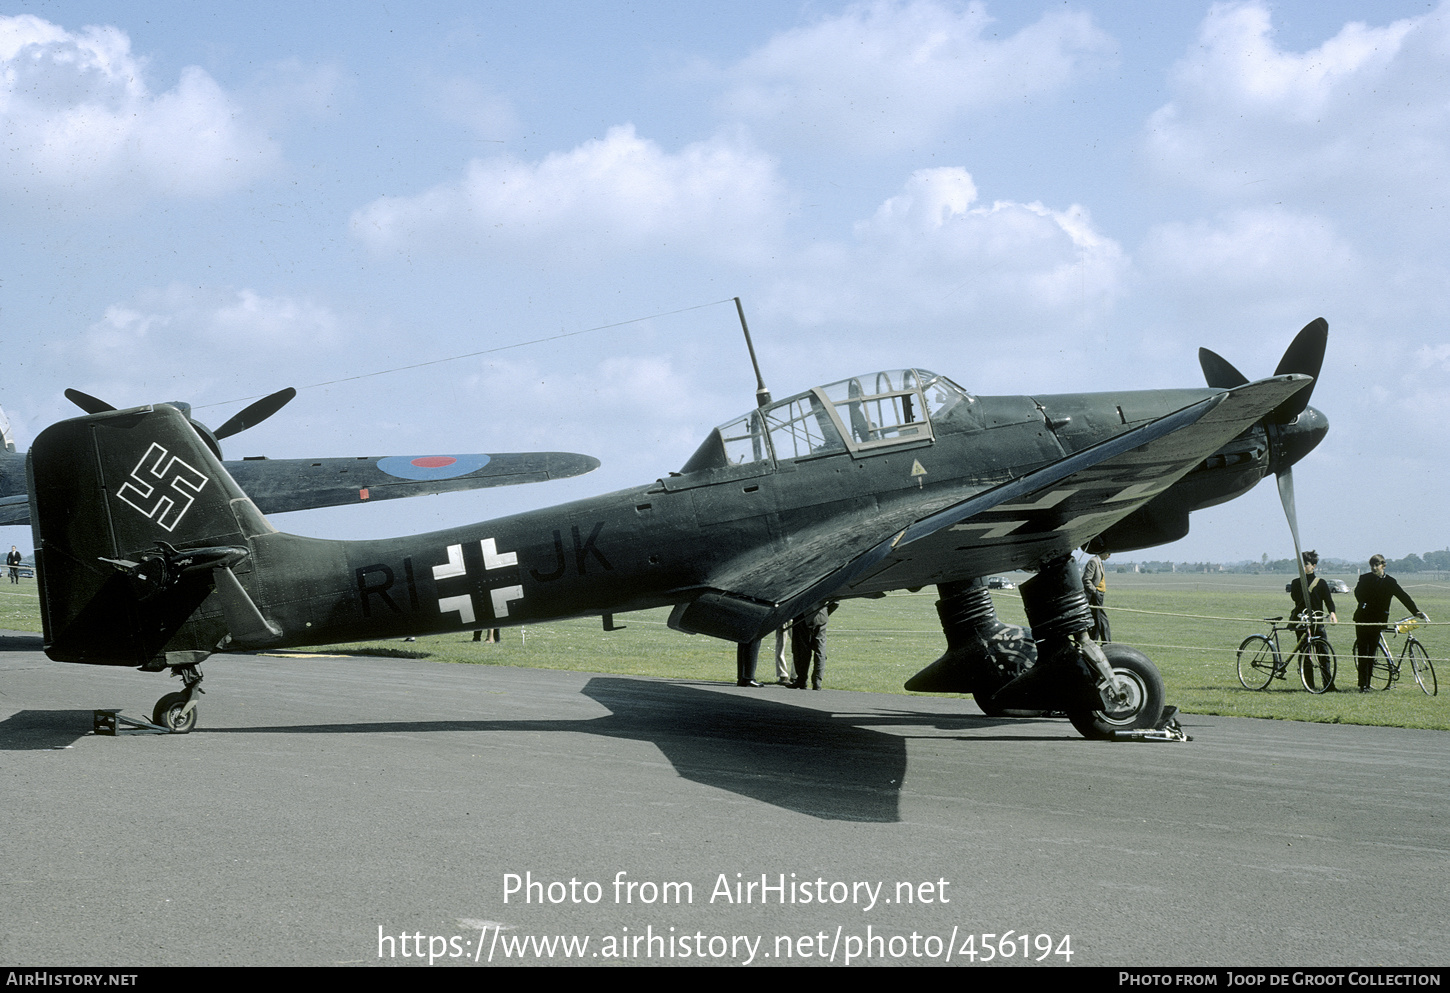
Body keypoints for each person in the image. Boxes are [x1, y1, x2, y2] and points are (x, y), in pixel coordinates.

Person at [1353, 554, 1427, 693]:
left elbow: (1403, 596)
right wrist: (1366, 601)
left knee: (1372, 652)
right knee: (1364, 652)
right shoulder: (1365, 578)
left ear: (1383, 566)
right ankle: (1363, 685)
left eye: (1377, 565)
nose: (1374, 568)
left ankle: (1367, 683)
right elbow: (1358, 593)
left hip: (1379, 620)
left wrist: (1416, 611)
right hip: (1363, 618)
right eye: (1372, 565)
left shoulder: (1390, 582)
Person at [1288, 550, 1337, 690]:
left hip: (1317, 622)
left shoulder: (1321, 583)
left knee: (1323, 654)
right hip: (1301, 622)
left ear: (1314, 566)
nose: (1303, 566)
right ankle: (1309, 685)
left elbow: (1328, 600)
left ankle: (1328, 685)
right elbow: (1296, 598)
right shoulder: (1296, 583)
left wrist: (1332, 613)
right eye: (1301, 564)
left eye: (1306, 564)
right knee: (1305, 654)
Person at [790, 601, 837, 690]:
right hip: (821, 615)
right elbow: (836, 602)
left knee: (801, 649)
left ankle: (801, 680)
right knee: (820, 650)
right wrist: (825, 612)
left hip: (802, 616)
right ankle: (817, 682)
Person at [1081, 547, 1111, 642]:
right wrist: (1095, 591)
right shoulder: (1093, 561)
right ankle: (1107, 642)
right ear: (1103, 552)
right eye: (1108, 553)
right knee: (1102, 620)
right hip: (1095, 594)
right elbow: (1086, 580)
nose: (1109, 556)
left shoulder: (1099, 562)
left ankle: (1094, 641)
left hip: (1099, 594)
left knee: (1097, 620)